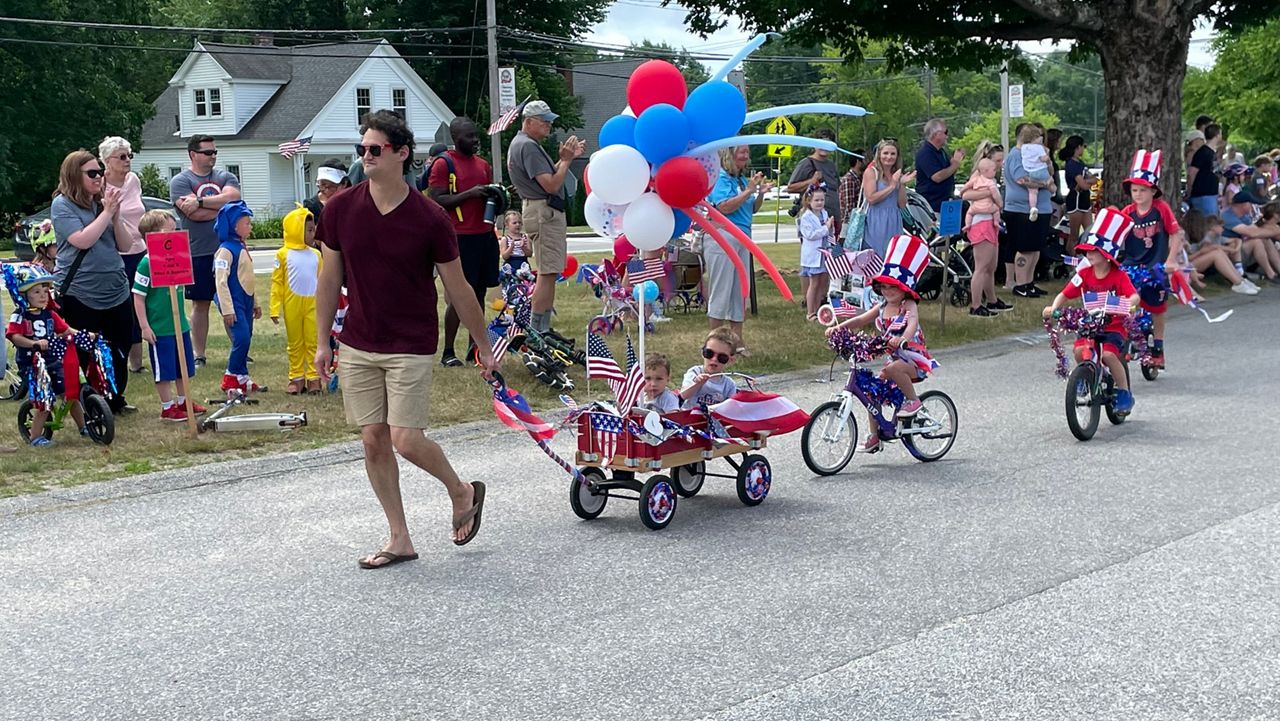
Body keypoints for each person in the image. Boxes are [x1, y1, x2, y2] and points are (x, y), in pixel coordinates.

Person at [314, 109, 498, 568]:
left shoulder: (430, 217)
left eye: (375, 149)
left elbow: (458, 288)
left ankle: (460, 491)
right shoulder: (339, 209)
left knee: (406, 439)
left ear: (401, 154)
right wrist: (323, 342)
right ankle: (400, 537)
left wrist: (484, 346)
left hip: (411, 341)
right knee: (373, 439)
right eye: (362, 149)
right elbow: (327, 277)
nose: (366, 156)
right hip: (358, 340)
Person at [825, 233, 938, 452]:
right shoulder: (883, 305)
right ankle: (874, 435)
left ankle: (913, 401)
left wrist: (903, 339)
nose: (887, 291)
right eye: (884, 287)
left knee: (894, 368)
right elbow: (861, 319)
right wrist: (838, 328)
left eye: (893, 287)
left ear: (904, 288)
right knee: (871, 390)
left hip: (914, 361)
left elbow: (912, 323)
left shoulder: (908, 305)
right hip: (894, 361)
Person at [50, 149, 136, 413]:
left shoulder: (102, 204)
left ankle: (115, 397)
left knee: (120, 347)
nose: (99, 177)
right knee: (87, 350)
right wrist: (106, 212)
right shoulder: (62, 205)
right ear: (75, 176)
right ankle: (94, 401)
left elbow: (125, 243)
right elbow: (82, 239)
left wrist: (115, 215)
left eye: (100, 172)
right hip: (80, 293)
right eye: (92, 173)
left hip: (116, 289)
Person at [1041, 208, 1141, 416]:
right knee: (1080, 351)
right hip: (1091, 323)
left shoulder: (1118, 276)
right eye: (1087, 250)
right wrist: (1054, 307)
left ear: (1106, 256)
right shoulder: (1084, 274)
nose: (1089, 254)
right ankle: (1086, 376)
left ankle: (1124, 393)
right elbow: (1065, 293)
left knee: (1110, 355)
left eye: (1094, 251)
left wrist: (1129, 305)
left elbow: (1133, 297)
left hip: (1114, 325)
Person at [506, 100, 585, 336]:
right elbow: (550, 185)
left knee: (549, 271)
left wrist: (564, 159)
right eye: (544, 121)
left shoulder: (522, 143)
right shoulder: (527, 146)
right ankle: (538, 329)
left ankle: (542, 327)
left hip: (539, 209)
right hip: (543, 212)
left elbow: (548, 175)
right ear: (528, 122)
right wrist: (568, 161)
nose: (549, 125)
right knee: (548, 272)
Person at [425, 117, 499, 367]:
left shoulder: (483, 164)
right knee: (460, 295)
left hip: (484, 235)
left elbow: (485, 195)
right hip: (459, 236)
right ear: (456, 139)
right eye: (470, 137)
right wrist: (470, 193)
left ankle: (474, 347)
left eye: (477, 136)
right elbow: (436, 199)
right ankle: (448, 351)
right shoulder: (444, 164)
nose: (476, 140)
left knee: (478, 291)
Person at [169, 135, 242, 368]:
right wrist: (223, 210)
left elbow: (234, 198)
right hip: (198, 251)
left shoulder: (224, 176)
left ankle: (239, 349)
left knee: (231, 301)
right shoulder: (181, 181)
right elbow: (192, 215)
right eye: (207, 152)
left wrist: (200, 202)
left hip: (227, 251)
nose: (212, 156)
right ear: (193, 154)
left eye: (214, 152)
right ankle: (199, 354)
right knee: (200, 303)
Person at [132, 210, 207, 420]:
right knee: (164, 369)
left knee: (183, 365)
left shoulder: (177, 257)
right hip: (160, 328)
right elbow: (138, 297)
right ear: (152, 236)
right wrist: (145, 326)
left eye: (175, 230)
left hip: (179, 325)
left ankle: (184, 401)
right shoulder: (146, 263)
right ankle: (167, 406)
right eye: (168, 231)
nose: (173, 235)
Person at [4, 265, 87, 445]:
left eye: (45, 291)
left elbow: (66, 331)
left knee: (71, 393)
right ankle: (35, 437)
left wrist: (84, 335)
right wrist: (33, 343)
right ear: (24, 295)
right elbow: (15, 336)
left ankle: (84, 427)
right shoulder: (20, 315)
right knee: (45, 399)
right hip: (32, 364)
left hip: (52, 360)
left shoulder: (50, 314)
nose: (43, 295)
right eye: (36, 292)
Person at [1118, 150, 1183, 370]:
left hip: (1155, 266)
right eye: (1134, 190)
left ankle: (1158, 347)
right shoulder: (1128, 212)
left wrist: (1171, 260)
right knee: (1125, 301)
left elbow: (1175, 233)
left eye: (1142, 190)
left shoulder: (1161, 209)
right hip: (1131, 265)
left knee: (1157, 307)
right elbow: (1115, 237)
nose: (1137, 194)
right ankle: (1128, 337)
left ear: (1153, 191)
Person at [706, 146, 771, 353]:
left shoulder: (742, 181)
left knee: (739, 291)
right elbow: (724, 207)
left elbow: (751, 208)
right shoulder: (721, 178)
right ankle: (713, 342)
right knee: (721, 290)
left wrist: (759, 194)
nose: (746, 156)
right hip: (722, 238)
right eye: (742, 152)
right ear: (729, 154)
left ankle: (737, 341)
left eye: (747, 152)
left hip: (743, 239)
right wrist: (749, 191)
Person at [99, 136, 148, 375]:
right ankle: (120, 358)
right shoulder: (100, 185)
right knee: (123, 305)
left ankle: (137, 363)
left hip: (140, 249)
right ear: (107, 161)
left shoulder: (133, 180)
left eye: (129, 155)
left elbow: (139, 211)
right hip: (116, 252)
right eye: (122, 156)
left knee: (141, 301)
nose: (127, 160)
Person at [212, 201, 263, 396]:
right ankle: (230, 376)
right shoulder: (225, 250)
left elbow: (247, 278)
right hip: (233, 301)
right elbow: (221, 281)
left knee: (247, 336)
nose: (250, 226)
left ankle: (242, 376)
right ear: (234, 226)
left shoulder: (242, 247)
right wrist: (227, 309)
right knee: (240, 337)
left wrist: (255, 303)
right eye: (246, 223)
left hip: (245, 300)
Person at [270, 206, 322, 394]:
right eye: (308, 230)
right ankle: (296, 377)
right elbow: (277, 283)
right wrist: (274, 308)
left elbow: (323, 280)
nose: (313, 233)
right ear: (295, 229)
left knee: (313, 341)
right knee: (295, 342)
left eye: (313, 229)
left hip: (313, 304)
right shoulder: (282, 255)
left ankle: (314, 377)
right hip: (292, 304)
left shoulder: (316, 255)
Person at [1003, 123, 1056, 298]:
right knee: (1025, 248)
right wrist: (1045, 184)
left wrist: (1047, 163)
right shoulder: (1016, 156)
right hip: (1021, 209)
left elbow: (1050, 171)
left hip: (1041, 207)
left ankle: (1029, 282)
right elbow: (1022, 180)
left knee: (1035, 248)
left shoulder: (1036, 154)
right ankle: (1020, 284)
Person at [959, 158, 1007, 316]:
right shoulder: (980, 180)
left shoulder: (991, 180)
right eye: (997, 162)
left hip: (991, 223)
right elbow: (965, 194)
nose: (997, 167)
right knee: (981, 267)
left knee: (990, 266)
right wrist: (989, 193)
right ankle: (976, 304)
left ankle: (992, 300)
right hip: (981, 223)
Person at [1178, 212, 1258, 295]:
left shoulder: (1202, 238)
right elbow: (1186, 259)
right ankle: (1238, 283)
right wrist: (1201, 252)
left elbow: (1234, 240)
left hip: (1192, 262)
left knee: (1218, 252)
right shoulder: (1204, 239)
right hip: (1186, 265)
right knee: (1217, 254)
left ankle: (1240, 280)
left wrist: (1234, 249)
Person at [862, 140, 915, 258]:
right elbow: (871, 198)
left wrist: (901, 184)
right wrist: (891, 186)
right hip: (876, 219)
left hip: (894, 219)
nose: (889, 157)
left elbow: (901, 204)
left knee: (893, 257)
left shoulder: (897, 174)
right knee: (876, 259)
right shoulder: (871, 172)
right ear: (879, 154)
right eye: (885, 153)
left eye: (893, 154)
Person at [787, 129, 842, 236]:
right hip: (815, 220)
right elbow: (790, 187)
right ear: (814, 144)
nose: (824, 147)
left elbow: (837, 188)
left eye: (828, 143)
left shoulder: (831, 165)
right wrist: (811, 181)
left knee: (833, 250)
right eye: (821, 143)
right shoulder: (806, 163)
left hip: (833, 217)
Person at [1221, 190, 1280, 283]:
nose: (1253, 206)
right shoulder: (1227, 216)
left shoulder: (1244, 216)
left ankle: (1278, 270)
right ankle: (1271, 274)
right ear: (1244, 204)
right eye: (1251, 203)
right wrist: (1275, 231)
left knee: (1264, 238)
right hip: (1229, 254)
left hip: (1239, 250)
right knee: (1256, 241)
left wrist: (1274, 231)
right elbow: (1252, 233)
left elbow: (1257, 231)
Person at [797, 187, 834, 321]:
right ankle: (810, 311)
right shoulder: (806, 217)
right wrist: (826, 228)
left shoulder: (824, 213)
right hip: (813, 254)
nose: (820, 203)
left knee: (822, 283)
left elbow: (828, 233)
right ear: (809, 201)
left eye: (822, 200)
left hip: (824, 253)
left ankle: (818, 310)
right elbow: (811, 235)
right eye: (816, 200)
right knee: (813, 283)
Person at [680, 327, 739, 410]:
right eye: (709, 353)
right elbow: (683, 396)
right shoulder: (694, 372)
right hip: (689, 418)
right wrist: (697, 384)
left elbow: (731, 410)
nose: (714, 359)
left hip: (713, 420)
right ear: (702, 352)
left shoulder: (729, 385)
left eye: (722, 357)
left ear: (730, 360)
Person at [914, 118, 964, 213]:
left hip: (945, 202)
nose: (947, 136)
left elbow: (949, 172)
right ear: (936, 134)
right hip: (932, 205)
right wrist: (955, 165)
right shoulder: (925, 153)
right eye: (945, 132)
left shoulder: (941, 152)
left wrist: (955, 162)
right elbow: (937, 176)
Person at [1060, 135, 1093, 249]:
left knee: (1090, 233)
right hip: (1075, 201)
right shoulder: (1071, 164)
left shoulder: (1080, 163)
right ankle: (1071, 262)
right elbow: (1082, 185)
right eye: (1083, 146)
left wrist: (1087, 181)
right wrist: (1085, 182)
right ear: (1078, 147)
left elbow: (1093, 179)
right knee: (1074, 235)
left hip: (1085, 200)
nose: (1083, 149)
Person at [1017, 126, 1053, 222]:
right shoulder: (1039, 148)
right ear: (1035, 137)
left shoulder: (1024, 148)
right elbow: (1043, 159)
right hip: (1041, 170)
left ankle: (1033, 207)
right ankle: (1052, 192)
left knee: (1032, 192)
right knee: (1050, 181)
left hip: (1030, 172)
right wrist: (1047, 155)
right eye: (1039, 136)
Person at [837, 149, 867, 232]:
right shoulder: (849, 179)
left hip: (857, 222)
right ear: (858, 161)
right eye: (865, 159)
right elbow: (849, 206)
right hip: (849, 224)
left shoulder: (860, 178)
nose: (867, 162)